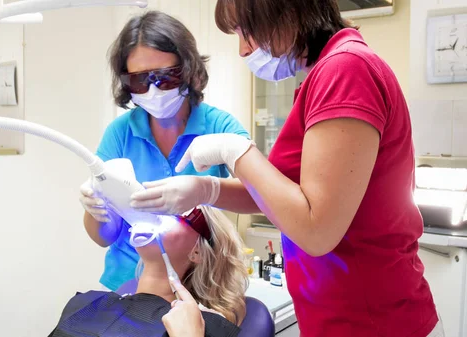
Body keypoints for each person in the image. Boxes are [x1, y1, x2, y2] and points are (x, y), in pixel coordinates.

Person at [129, 1, 442, 336]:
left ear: (286, 9)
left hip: (372, 321)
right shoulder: (324, 74)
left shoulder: (346, 70)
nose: (243, 48)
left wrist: (237, 152)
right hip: (337, 316)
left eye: (245, 30)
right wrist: (209, 189)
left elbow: (316, 230)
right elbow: (284, 198)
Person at [80, 10, 250, 292]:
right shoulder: (120, 133)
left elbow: (263, 199)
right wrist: (96, 207)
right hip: (132, 284)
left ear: (189, 70)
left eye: (165, 77)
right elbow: (103, 238)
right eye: (139, 80)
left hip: (205, 282)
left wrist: (206, 189)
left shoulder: (220, 126)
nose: (153, 90)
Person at [49, 206, 248, 337]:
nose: (152, 215)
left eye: (173, 211)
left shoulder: (202, 327)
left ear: (197, 251)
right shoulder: (88, 302)